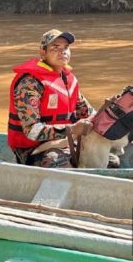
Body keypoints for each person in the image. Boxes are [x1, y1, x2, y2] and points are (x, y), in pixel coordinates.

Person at [8, 29, 93, 168]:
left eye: (66, 47)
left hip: (66, 141)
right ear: (43, 53)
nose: (63, 51)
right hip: (33, 149)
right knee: (57, 162)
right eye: (55, 47)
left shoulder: (68, 80)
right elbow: (32, 131)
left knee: (111, 160)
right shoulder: (30, 83)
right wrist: (71, 129)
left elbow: (89, 114)